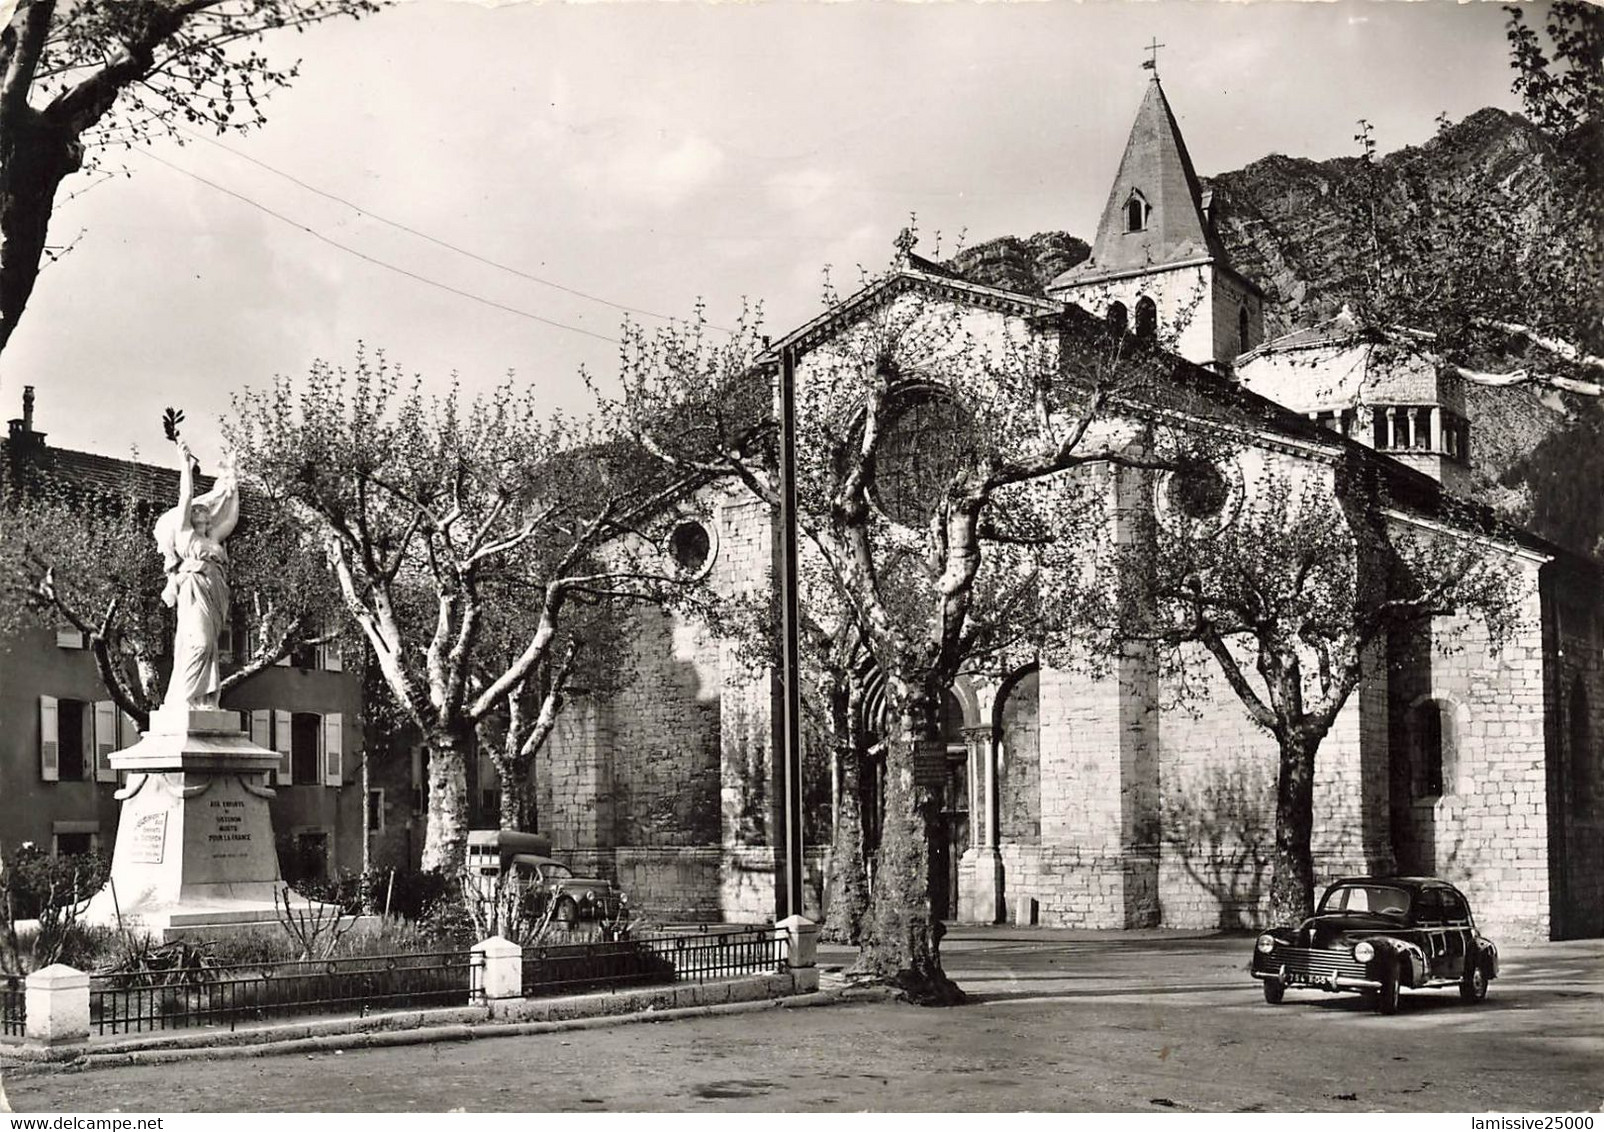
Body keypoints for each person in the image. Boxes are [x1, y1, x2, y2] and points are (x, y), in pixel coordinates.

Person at [153, 437, 239, 710]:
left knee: (209, 647)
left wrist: (233, 485)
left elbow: (231, 519)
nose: (202, 510)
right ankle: (184, 697)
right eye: (196, 510)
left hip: (215, 592)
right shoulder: (185, 535)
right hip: (194, 591)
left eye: (204, 510)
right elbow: (186, 497)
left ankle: (203, 699)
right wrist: (185, 467)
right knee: (198, 644)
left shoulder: (213, 538)